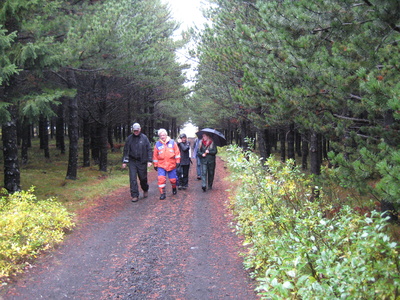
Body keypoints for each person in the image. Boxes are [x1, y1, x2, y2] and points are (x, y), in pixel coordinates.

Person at [122, 123, 152, 202]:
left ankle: (145, 189)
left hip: (142, 161)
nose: (136, 132)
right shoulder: (129, 138)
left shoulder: (144, 138)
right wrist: (124, 161)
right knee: (132, 179)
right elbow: (126, 150)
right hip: (132, 161)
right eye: (134, 130)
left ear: (140, 129)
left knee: (143, 178)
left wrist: (149, 160)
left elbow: (149, 149)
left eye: (137, 130)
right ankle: (134, 195)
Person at [153, 128, 181, 200]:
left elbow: (177, 153)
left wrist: (178, 161)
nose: (162, 136)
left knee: (173, 180)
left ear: (166, 135)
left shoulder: (172, 143)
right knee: (161, 179)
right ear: (159, 136)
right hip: (161, 165)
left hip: (172, 164)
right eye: (161, 135)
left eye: (163, 135)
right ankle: (162, 193)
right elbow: (155, 155)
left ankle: (174, 188)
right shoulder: (157, 144)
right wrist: (155, 165)